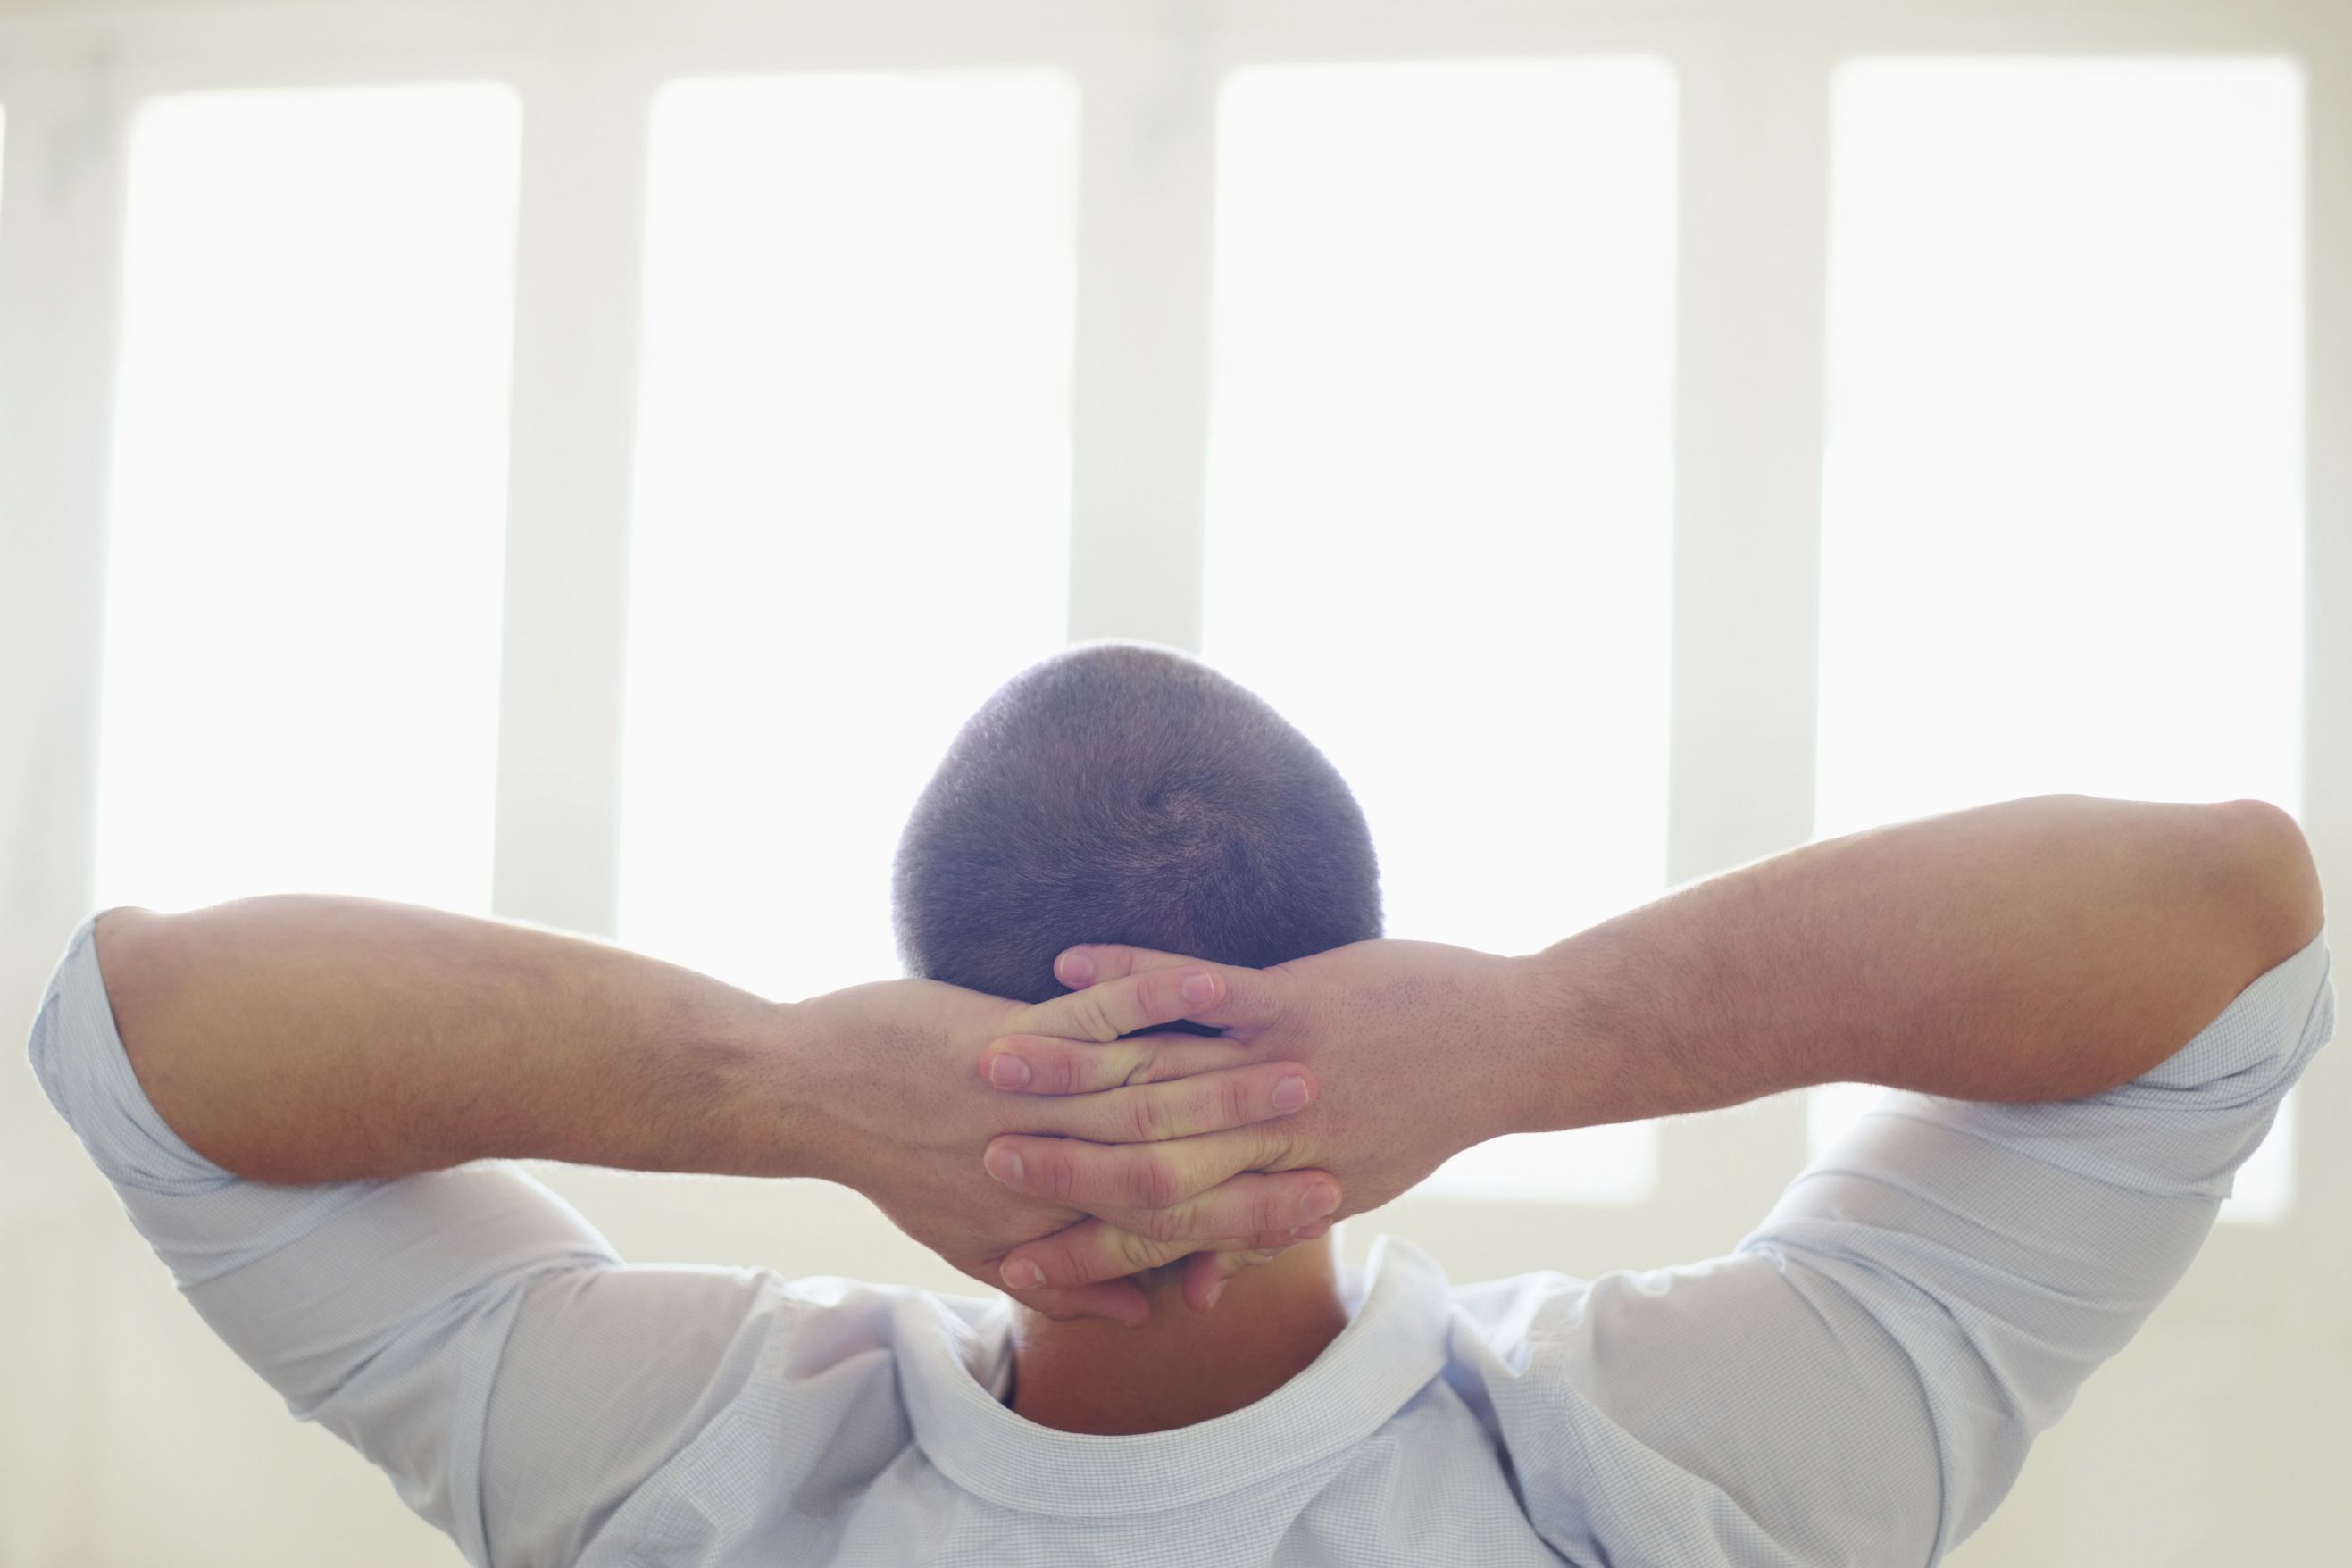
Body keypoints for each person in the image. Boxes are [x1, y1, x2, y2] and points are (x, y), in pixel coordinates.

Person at [27, 641, 2331, 1567]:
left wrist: (789, 1080)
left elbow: (145, 1034)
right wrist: (1542, 1031)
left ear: (939, 1013)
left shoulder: (695, 1466)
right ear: (1355, 986)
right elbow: (2227, 927)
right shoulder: (1697, 1463)